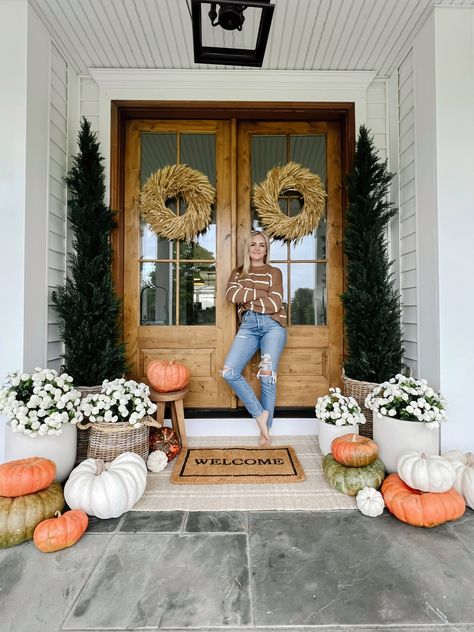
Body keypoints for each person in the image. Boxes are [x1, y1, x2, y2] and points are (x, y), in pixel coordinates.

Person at [222, 230, 287, 447]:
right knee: (229, 371)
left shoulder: (274, 272)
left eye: (262, 245)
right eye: (253, 245)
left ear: (267, 250)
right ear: (247, 248)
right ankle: (260, 415)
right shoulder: (238, 272)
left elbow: (275, 304)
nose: (257, 248)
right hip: (249, 325)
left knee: (267, 376)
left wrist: (248, 295)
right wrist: (261, 293)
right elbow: (231, 296)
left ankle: (265, 431)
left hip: (273, 325)